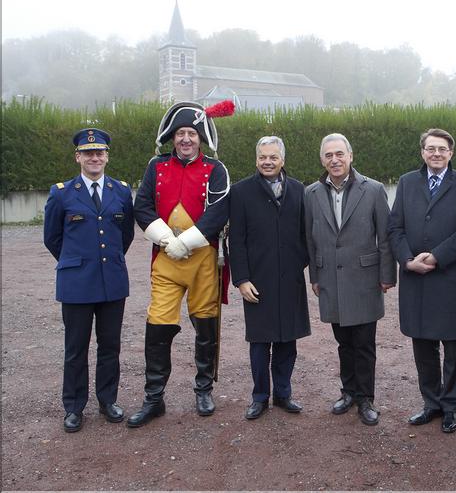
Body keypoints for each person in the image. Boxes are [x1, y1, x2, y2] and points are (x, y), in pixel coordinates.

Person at [127, 100, 233, 427]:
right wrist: (166, 240)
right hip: (166, 261)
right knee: (158, 325)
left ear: (200, 138)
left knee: (205, 326)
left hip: (203, 260)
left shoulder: (216, 169)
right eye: (180, 133)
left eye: (191, 133)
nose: (186, 139)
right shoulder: (155, 167)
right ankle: (154, 397)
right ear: (173, 138)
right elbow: (142, 206)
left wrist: (185, 242)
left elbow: (218, 212)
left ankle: (203, 389)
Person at [387, 128, 456, 433]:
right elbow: (395, 228)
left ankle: (451, 405)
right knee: (422, 344)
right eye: (431, 149)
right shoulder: (407, 182)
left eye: (442, 149)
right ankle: (431, 402)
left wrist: (437, 256)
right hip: (415, 277)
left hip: (449, 277)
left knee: (452, 346)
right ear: (422, 152)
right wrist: (406, 259)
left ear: (451, 153)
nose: (436, 154)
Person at [44, 128, 134, 433]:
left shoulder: (121, 192)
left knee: (110, 346)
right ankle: (74, 407)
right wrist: (75, 262)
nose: (94, 158)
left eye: (99, 153)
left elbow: (126, 236)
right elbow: (52, 238)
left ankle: (108, 400)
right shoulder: (61, 193)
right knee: (75, 348)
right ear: (78, 157)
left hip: (112, 282)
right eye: (88, 153)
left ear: (107, 157)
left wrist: (105, 262)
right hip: (76, 284)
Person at [304, 133, 396, 426]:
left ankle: (366, 399)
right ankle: (348, 392)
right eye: (329, 155)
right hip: (330, 278)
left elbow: (386, 236)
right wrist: (314, 276)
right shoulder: (311, 194)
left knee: (364, 343)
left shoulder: (374, 190)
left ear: (350, 156)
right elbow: (310, 239)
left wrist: (386, 275)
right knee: (343, 342)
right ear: (322, 160)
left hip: (365, 279)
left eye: (339, 154)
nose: (335, 160)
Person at [229, 136, 310, 420]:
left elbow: (306, 235)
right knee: (260, 343)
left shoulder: (300, 190)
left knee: (288, 341)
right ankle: (260, 397)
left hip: (290, 280)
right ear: (256, 159)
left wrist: (301, 264)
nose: (267, 162)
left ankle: (284, 394)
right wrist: (241, 279)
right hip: (257, 281)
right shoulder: (240, 192)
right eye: (263, 157)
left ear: (282, 160)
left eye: (273, 157)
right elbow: (235, 241)